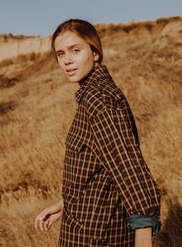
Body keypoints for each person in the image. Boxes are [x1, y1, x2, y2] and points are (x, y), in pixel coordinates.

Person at [34, 19, 161, 246]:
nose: (67, 61)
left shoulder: (99, 100)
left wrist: (143, 236)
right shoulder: (92, 95)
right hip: (83, 229)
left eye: (75, 50)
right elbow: (100, 170)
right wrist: (65, 205)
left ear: (95, 53)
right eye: (60, 54)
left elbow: (131, 173)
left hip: (96, 238)